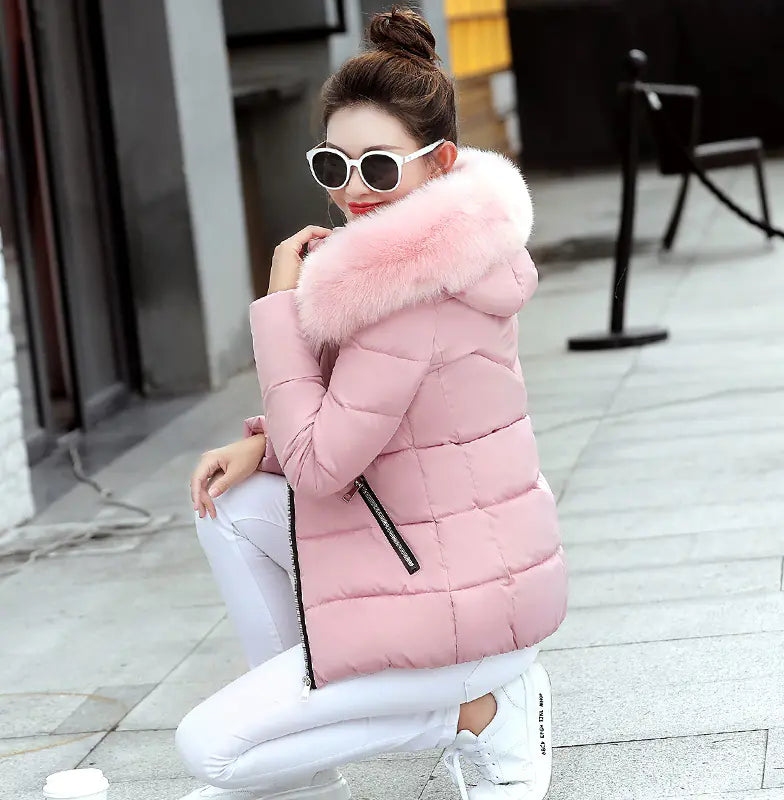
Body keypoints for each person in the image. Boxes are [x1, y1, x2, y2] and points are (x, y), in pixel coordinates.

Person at [175, 7, 568, 800]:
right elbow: (388, 423)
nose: (352, 190)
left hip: (460, 620)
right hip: (462, 577)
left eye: (379, 169)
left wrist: (279, 309)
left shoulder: (407, 294)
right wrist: (265, 443)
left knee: (210, 753)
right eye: (333, 165)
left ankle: (477, 715)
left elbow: (323, 467)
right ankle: (309, 775)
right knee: (231, 502)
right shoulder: (435, 258)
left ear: (439, 163)